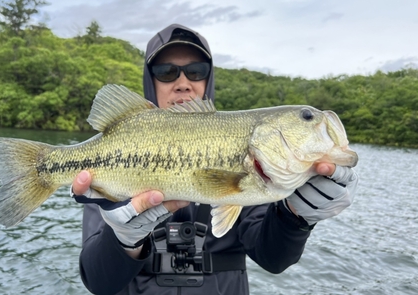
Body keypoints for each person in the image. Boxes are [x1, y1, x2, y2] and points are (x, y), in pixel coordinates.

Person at [71, 24, 358, 295]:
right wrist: (123, 239)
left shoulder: (258, 170)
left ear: (209, 78)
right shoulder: (111, 157)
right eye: (167, 71)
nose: (183, 83)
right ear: (150, 79)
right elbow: (98, 281)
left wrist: (296, 216)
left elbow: (274, 258)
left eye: (196, 71)